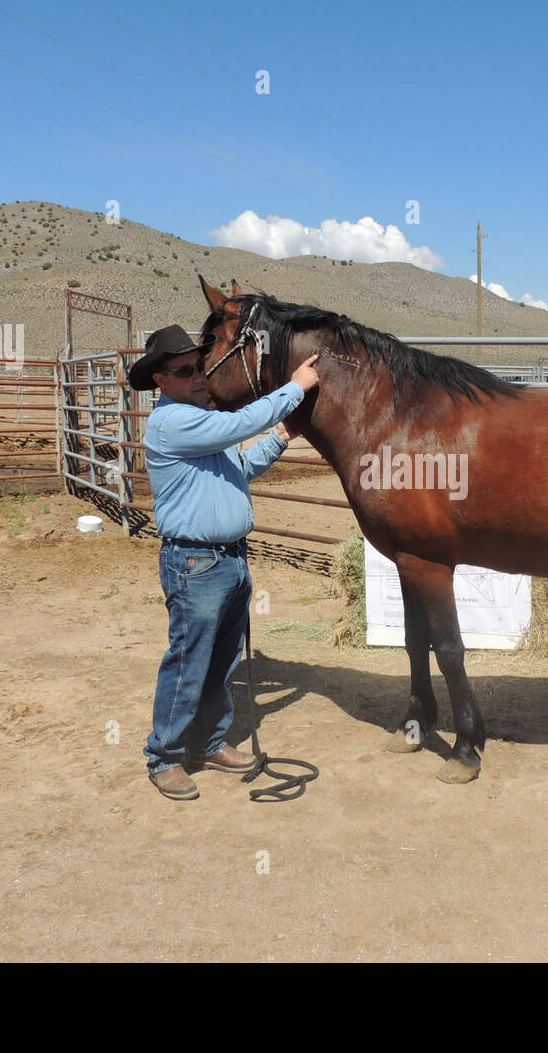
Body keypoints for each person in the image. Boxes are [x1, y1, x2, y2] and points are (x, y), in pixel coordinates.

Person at [128, 324, 320, 800]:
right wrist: (294, 387)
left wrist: (279, 436)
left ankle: (209, 742)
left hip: (225, 561)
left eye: (199, 366)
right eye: (185, 370)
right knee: (190, 660)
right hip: (196, 563)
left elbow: (241, 467)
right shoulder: (173, 422)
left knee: (221, 661)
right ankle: (165, 756)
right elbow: (238, 426)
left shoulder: (198, 423)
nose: (198, 376)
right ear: (161, 380)